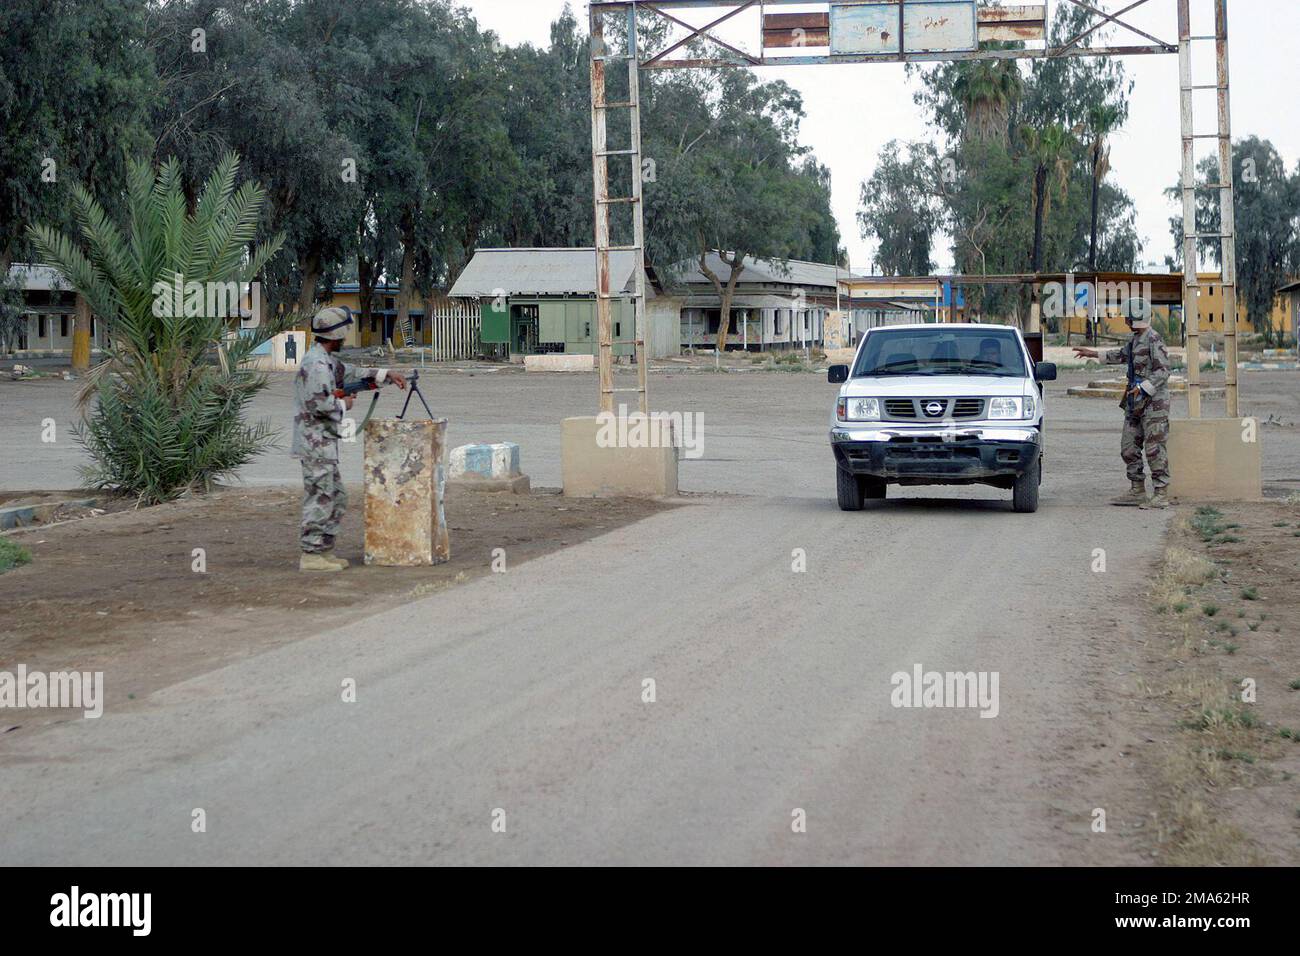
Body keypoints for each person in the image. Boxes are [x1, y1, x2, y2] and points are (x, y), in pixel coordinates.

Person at [293, 306, 406, 571]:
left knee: (336, 496)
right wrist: (346, 406)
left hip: (323, 442)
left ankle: (323, 551)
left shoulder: (326, 359)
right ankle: (311, 555)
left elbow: (350, 373)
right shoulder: (317, 364)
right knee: (321, 495)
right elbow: (319, 405)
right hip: (314, 443)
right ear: (338, 334)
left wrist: (385, 375)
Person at [1072, 297, 1171, 508]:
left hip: (1154, 404)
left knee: (1154, 448)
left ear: (1134, 317)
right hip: (1135, 402)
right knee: (1128, 447)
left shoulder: (1154, 339)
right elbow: (1121, 355)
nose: (1125, 320)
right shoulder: (1135, 339)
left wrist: (1143, 387)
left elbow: (1163, 371)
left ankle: (1161, 494)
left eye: (1127, 316)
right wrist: (1094, 354)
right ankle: (1137, 490)